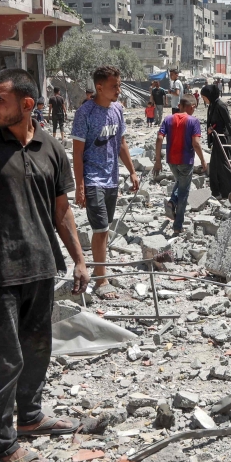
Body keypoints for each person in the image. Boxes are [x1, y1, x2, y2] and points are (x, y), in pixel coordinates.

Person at [0, 68, 89, 462]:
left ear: (27, 105)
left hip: (41, 268)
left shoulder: (51, 147)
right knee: (4, 359)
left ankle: (29, 417)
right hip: (0, 273)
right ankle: (3, 445)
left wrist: (79, 259)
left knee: (38, 351)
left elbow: (62, 210)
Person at [71, 66, 140, 299]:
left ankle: (100, 270)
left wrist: (131, 171)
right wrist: (79, 186)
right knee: (100, 228)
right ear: (99, 87)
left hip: (112, 179)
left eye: (119, 85)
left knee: (104, 229)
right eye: (115, 86)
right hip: (92, 178)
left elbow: (121, 143)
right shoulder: (85, 113)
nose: (119, 90)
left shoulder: (118, 109)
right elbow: (77, 153)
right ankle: (102, 280)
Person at [153, 94, 207, 236]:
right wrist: (203, 161)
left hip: (171, 160)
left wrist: (157, 161)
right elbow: (196, 144)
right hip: (186, 161)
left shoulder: (168, 119)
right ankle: (177, 226)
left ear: (180, 106)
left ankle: (172, 202)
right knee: (184, 192)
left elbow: (159, 139)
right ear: (192, 107)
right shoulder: (193, 121)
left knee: (180, 182)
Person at [200, 84, 231, 201]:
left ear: (209, 95)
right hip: (216, 140)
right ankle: (216, 191)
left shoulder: (220, 105)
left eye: (204, 97)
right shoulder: (212, 105)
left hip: (223, 139)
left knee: (224, 166)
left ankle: (229, 191)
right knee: (215, 167)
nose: (203, 99)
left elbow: (228, 123)